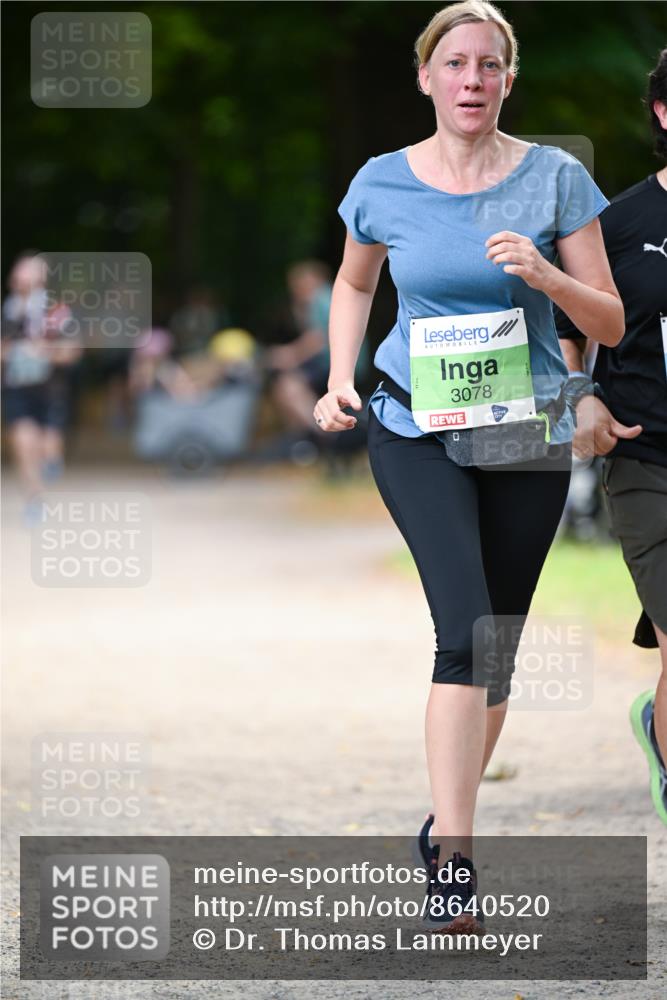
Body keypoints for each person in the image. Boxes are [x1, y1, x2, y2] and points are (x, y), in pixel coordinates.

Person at [314, 0, 624, 932]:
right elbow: (353, 280)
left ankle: (445, 818)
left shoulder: (556, 178)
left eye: (489, 65)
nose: (472, 81)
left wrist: (545, 276)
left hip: (521, 432)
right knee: (462, 630)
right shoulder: (381, 181)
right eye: (454, 64)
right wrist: (337, 377)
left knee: (495, 650)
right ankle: (455, 854)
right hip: (415, 424)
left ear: (507, 79)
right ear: (426, 76)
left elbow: (605, 321)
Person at [557, 49, 667, 827]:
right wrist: (582, 399)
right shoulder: (618, 222)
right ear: (663, 114)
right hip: (646, 452)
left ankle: (655, 729)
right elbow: (566, 330)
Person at [1, 252, 81, 523]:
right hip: (17, 388)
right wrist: (15, 352)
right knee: (24, 443)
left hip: (50, 389)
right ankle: (34, 500)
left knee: (48, 446)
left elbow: (72, 350)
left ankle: (52, 462)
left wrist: (45, 353)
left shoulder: (57, 311)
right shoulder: (8, 311)